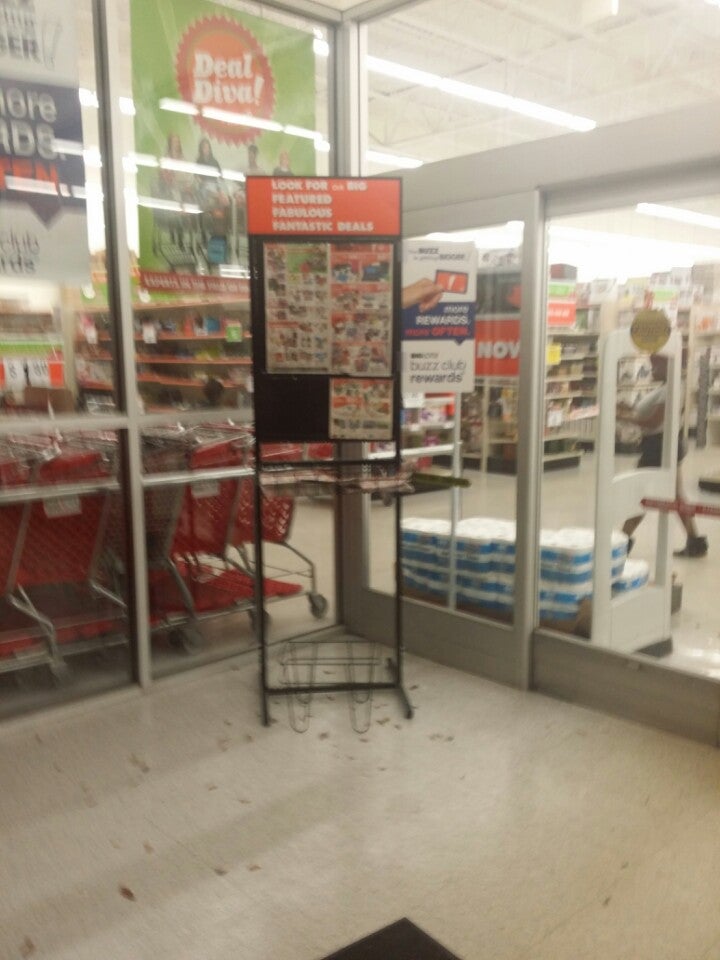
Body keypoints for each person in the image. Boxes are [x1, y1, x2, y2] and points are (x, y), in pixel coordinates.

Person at [617, 352, 708, 558]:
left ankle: (621, 543)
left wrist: (623, 417)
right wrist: (629, 408)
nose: (651, 369)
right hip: (662, 445)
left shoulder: (671, 389)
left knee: (640, 495)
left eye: (655, 365)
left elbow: (654, 422)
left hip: (658, 447)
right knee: (675, 495)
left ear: (668, 365)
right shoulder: (666, 388)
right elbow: (648, 413)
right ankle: (695, 542)